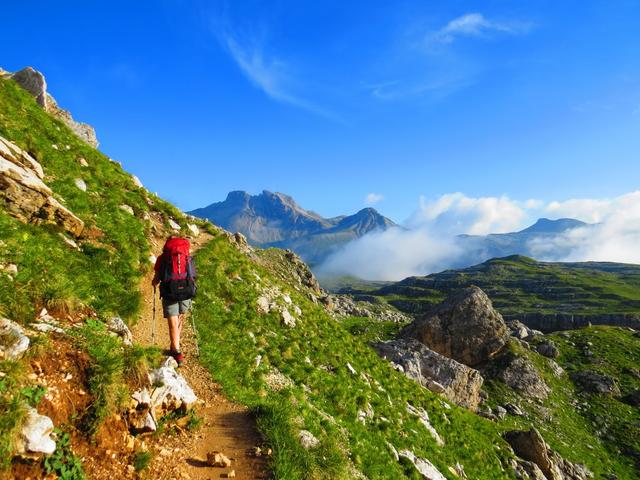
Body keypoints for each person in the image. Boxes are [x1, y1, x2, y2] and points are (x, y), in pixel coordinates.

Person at [152, 235, 197, 366]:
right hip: (185, 291)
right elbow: (193, 275)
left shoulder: (162, 258)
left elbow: (156, 279)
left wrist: (154, 283)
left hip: (169, 292)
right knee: (180, 318)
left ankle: (175, 349)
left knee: (173, 321)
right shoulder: (187, 257)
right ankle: (175, 346)